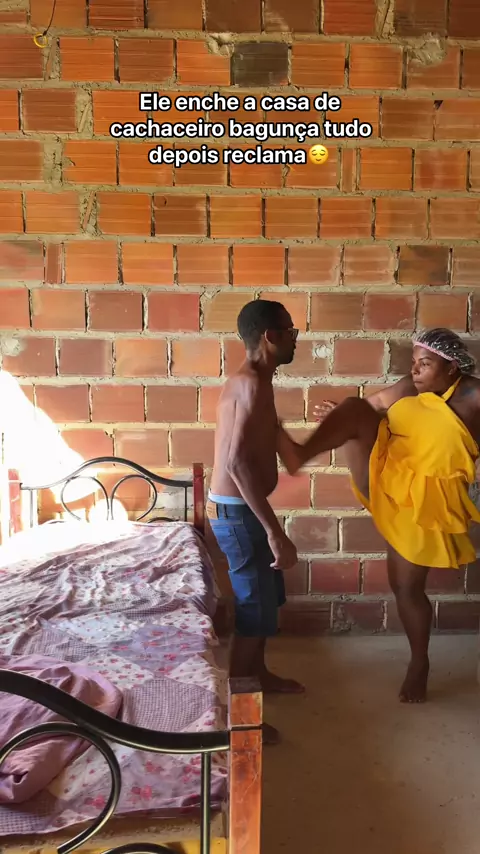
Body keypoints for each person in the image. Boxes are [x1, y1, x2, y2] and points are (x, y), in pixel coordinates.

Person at [277, 328, 480, 704]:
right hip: (384, 477)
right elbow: (370, 409)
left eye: (425, 364)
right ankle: (298, 455)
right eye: (413, 363)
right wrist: (336, 417)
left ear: (452, 367)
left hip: (426, 505)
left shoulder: (474, 397)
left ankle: (419, 663)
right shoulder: (408, 387)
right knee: (354, 407)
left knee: (406, 588)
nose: (415, 371)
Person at [207, 300, 304, 745]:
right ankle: (240, 721)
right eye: (291, 331)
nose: (295, 339)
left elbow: (272, 445)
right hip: (238, 514)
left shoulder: (259, 382)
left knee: (266, 602)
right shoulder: (249, 385)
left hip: (244, 510)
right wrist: (275, 532)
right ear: (270, 336)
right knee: (252, 611)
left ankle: (258, 675)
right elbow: (237, 464)